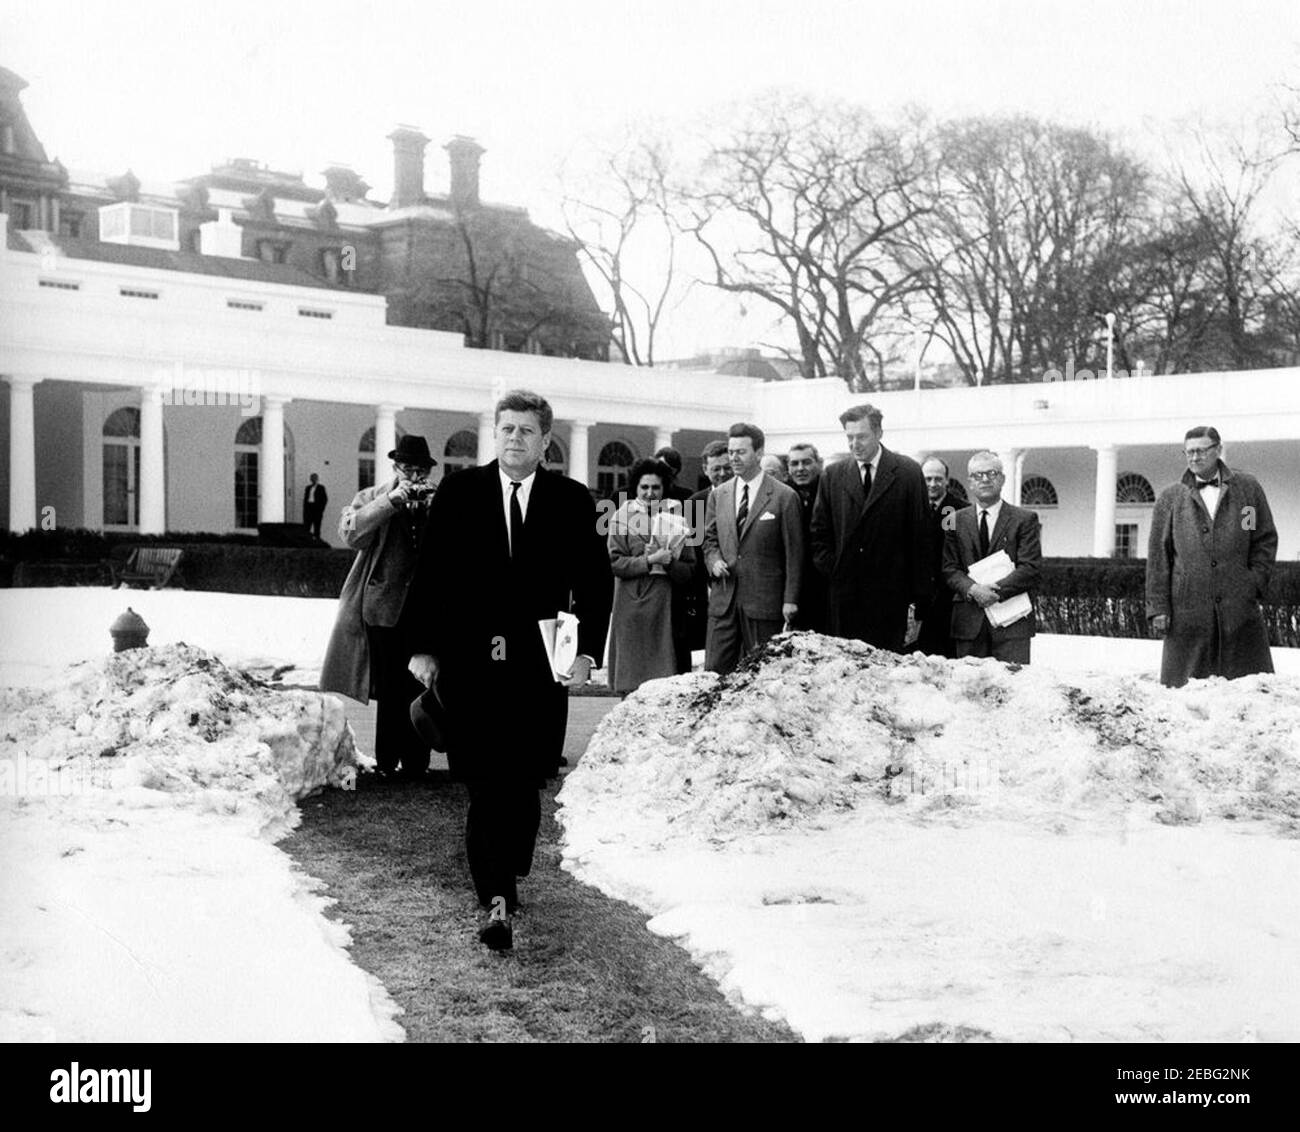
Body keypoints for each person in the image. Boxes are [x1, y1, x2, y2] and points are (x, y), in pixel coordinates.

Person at [406, 390, 612, 950]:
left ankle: (511, 864)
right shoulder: (460, 491)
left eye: (526, 430)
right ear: (494, 434)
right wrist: (424, 647)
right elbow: (431, 573)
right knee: (485, 783)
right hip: (471, 659)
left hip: (541, 661)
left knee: (523, 781)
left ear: (546, 440)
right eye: (506, 428)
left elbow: (594, 584)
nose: (515, 438)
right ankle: (495, 899)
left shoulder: (574, 501)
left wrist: (585, 652)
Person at [320, 436, 437, 780]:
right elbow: (352, 534)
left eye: (420, 470)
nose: (414, 477)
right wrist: (390, 502)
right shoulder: (371, 497)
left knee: (420, 685)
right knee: (389, 689)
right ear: (396, 468)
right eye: (407, 469)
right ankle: (387, 761)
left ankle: (417, 763)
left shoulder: (438, 499)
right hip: (381, 607)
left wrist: (434, 506)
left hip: (423, 608)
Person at [1145, 426, 1278, 688]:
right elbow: (1159, 556)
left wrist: (1253, 582)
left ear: (1218, 450)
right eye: (1188, 452)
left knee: (1246, 694)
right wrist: (1158, 607)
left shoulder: (1246, 492)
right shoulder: (1171, 498)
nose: (1194, 458)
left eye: (1200, 451)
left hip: (1239, 612)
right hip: (1187, 613)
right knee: (1187, 697)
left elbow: (1259, 538)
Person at [810, 403, 931, 651]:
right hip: (845, 598)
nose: (855, 444)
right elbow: (819, 533)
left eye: (862, 436)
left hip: (891, 598)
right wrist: (836, 569)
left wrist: (918, 600)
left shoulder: (908, 472)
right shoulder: (832, 475)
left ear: (879, 433)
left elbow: (920, 539)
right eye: (849, 437)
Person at [703, 423, 803, 675]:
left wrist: (790, 599)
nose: (734, 457)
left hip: (764, 602)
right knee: (714, 673)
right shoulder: (720, 494)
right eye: (731, 451)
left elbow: (795, 554)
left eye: (741, 451)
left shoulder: (784, 496)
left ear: (759, 453)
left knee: (762, 675)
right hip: (724, 601)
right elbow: (710, 539)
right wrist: (713, 561)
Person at [942, 451, 1042, 664]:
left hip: (1012, 624)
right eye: (978, 475)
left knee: (1012, 690)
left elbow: (1030, 568)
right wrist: (974, 590)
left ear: (1002, 479)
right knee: (970, 691)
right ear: (970, 481)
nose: (985, 479)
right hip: (968, 623)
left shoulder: (1025, 519)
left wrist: (994, 592)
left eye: (992, 473)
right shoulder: (953, 521)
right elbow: (949, 568)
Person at [607, 458, 696, 694]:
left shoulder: (679, 516)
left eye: (655, 487)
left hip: (666, 605)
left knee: (664, 680)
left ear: (664, 488)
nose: (649, 493)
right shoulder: (621, 516)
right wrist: (648, 561)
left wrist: (669, 562)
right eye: (644, 487)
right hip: (631, 605)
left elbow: (690, 570)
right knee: (631, 679)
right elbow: (615, 563)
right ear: (635, 487)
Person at [680, 440, 733, 670]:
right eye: (716, 469)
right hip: (706, 591)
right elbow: (690, 550)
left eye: (727, 468)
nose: (722, 473)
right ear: (705, 470)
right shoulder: (694, 503)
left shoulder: (744, 498)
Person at [911, 456, 965, 658]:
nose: (933, 484)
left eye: (938, 479)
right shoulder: (911, 507)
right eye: (927, 479)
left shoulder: (960, 510)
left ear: (947, 481)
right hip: (919, 596)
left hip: (948, 597)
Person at [786, 442, 827, 633]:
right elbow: (697, 542)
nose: (800, 469)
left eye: (806, 462)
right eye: (794, 464)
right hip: (790, 588)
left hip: (822, 586)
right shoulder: (695, 500)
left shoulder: (829, 492)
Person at [302, 472, 329, 539]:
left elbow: (324, 499)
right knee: (307, 525)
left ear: (317, 479)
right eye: (312, 478)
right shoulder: (308, 488)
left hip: (316, 508)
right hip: (309, 507)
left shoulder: (321, 488)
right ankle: (307, 540)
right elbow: (306, 498)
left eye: (314, 478)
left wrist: (321, 509)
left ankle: (317, 540)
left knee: (317, 526)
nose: (313, 479)